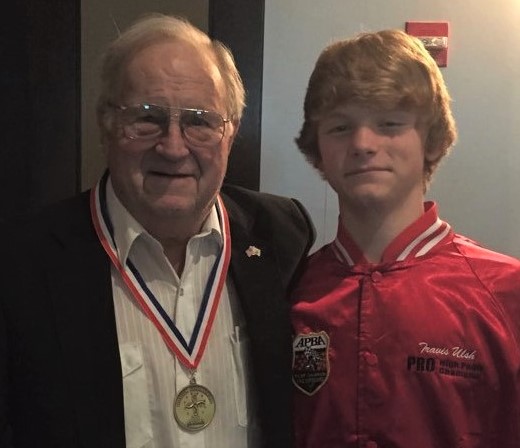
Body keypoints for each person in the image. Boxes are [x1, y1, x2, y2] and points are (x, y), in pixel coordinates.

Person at [0, 13, 315, 448]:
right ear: (106, 124)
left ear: (231, 133)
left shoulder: (281, 235)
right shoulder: (23, 264)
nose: (172, 146)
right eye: (146, 118)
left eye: (199, 121)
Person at [290, 29, 520, 447]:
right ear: (317, 148)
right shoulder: (291, 291)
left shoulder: (506, 292)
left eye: (389, 124)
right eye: (341, 127)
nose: (362, 144)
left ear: (430, 140)